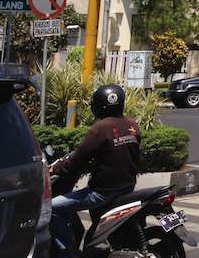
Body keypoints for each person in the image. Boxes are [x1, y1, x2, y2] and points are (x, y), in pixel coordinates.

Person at [50, 84, 141, 257]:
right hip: (126, 187)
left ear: (98, 105)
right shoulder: (132, 125)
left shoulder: (99, 129)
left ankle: (69, 251)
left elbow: (78, 160)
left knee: (53, 207)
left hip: (102, 193)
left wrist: (55, 169)